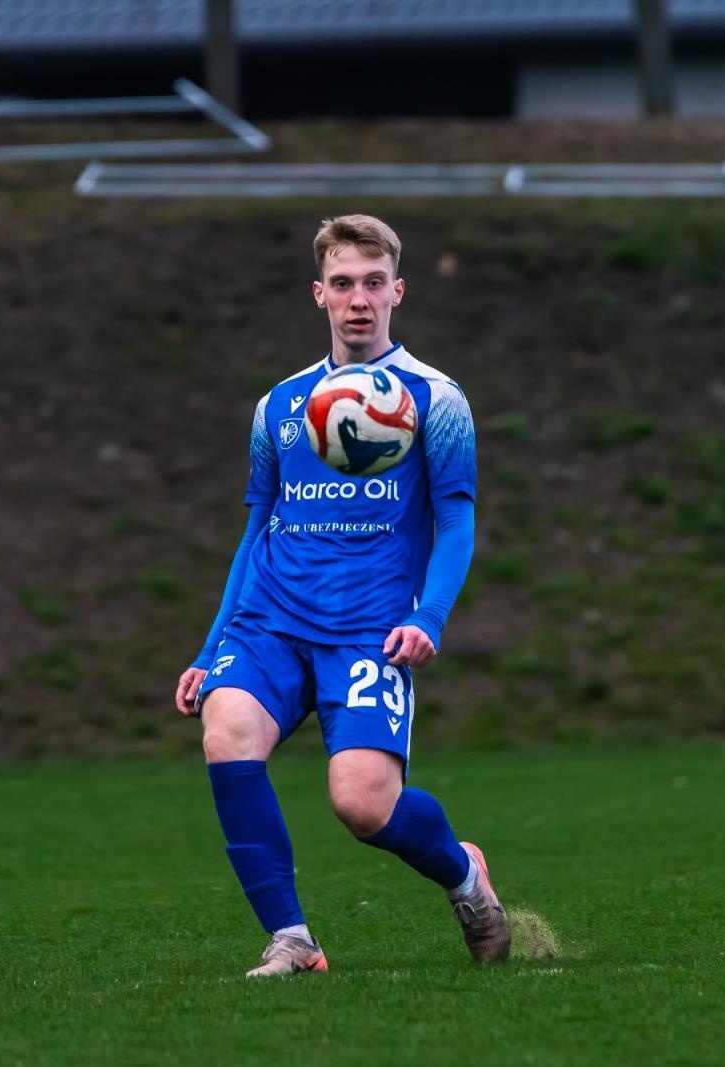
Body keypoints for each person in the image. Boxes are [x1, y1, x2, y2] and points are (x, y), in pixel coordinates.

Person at [173, 214, 509, 976]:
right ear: (319, 293)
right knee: (226, 732)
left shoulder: (434, 398)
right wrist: (209, 646)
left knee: (362, 804)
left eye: (372, 283)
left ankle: (463, 873)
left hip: (369, 629)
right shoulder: (279, 407)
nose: (359, 299)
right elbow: (257, 530)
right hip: (272, 620)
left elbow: (456, 518)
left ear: (397, 289)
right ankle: (293, 938)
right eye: (343, 284)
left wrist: (428, 615)